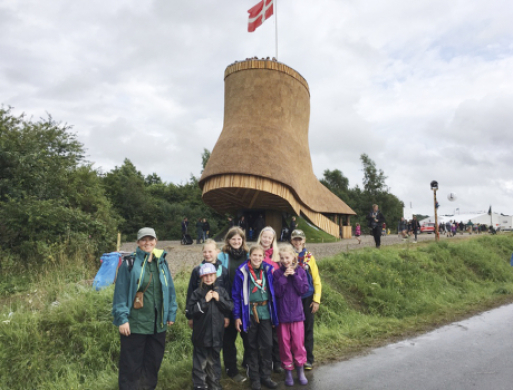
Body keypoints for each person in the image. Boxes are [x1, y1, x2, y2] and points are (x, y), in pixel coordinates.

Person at [112, 227, 177, 390]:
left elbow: (170, 289)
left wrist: (171, 313)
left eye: (151, 239)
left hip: (158, 324)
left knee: (152, 363)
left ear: (156, 241)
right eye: (143, 239)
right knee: (131, 366)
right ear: (138, 242)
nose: (147, 242)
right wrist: (122, 319)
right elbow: (120, 293)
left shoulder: (161, 262)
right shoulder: (129, 263)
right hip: (135, 325)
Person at [233, 245, 279, 390]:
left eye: (260, 256)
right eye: (254, 255)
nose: (257, 258)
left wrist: (276, 316)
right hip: (249, 313)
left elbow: (275, 291)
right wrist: (237, 316)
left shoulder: (268, 270)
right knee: (251, 345)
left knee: (267, 345)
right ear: (250, 256)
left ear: (263, 257)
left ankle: (266, 376)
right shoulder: (242, 272)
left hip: (266, 312)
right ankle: (255, 378)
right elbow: (235, 296)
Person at [188, 263, 233, 390]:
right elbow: (190, 312)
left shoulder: (221, 291)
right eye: (205, 276)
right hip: (201, 335)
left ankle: (214, 384)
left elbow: (230, 307)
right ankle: (200, 385)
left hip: (217, 334)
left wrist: (219, 299)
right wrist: (205, 301)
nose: (208, 278)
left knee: (214, 361)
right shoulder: (197, 293)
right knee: (200, 363)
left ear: (215, 275)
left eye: (211, 275)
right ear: (202, 277)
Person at [273, 244, 310, 386]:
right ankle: (288, 371)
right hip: (283, 316)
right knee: (284, 345)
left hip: (297, 315)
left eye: (287, 257)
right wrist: (283, 277)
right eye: (282, 258)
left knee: (298, 344)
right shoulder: (277, 274)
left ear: (293, 257)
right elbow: (276, 292)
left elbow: (303, 290)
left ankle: (300, 370)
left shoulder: (300, 271)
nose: (285, 260)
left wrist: (294, 277)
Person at [217, 227, 250, 383]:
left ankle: (247, 363)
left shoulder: (249, 256)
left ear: (243, 240)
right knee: (229, 339)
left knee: (248, 336)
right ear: (228, 241)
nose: (236, 241)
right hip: (228, 303)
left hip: (246, 303)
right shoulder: (222, 257)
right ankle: (232, 369)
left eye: (239, 239)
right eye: (233, 239)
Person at [290, 229, 321, 370]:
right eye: (295, 239)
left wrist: (316, 300)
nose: (298, 242)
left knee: (308, 329)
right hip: (292, 299)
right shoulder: (287, 255)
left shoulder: (309, 257)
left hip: (307, 298)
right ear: (291, 240)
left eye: (300, 239)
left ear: (304, 240)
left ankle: (308, 359)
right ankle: (294, 357)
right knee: (293, 330)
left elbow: (316, 280)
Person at [185, 239, 229, 328]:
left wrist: (227, 315)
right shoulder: (197, 271)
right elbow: (190, 293)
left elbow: (228, 294)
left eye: (210, 251)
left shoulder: (223, 271)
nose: (207, 254)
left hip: (218, 315)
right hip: (200, 315)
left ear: (217, 252)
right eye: (205, 252)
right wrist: (190, 316)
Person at [257, 226, 282, 372]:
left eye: (269, 237)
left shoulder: (277, 256)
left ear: (273, 240)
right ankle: (263, 363)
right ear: (260, 236)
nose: (266, 239)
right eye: (264, 236)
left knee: (275, 332)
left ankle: (277, 361)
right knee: (263, 333)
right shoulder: (255, 253)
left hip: (275, 297)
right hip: (260, 297)